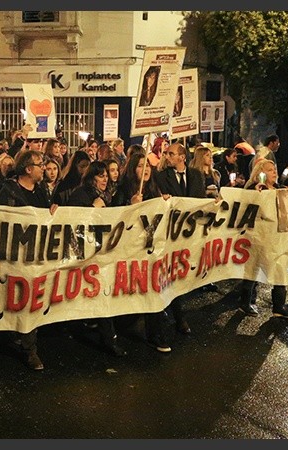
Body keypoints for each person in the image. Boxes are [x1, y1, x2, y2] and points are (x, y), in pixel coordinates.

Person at [0, 150, 59, 371]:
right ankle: (26, 346)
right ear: (28, 169)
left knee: (30, 301)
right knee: (19, 300)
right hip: (14, 258)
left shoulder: (41, 192)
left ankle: (28, 345)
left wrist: (53, 212)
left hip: (36, 257)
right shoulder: (8, 192)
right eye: (41, 164)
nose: (44, 168)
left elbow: (46, 218)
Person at [65, 161, 128, 357]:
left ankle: (108, 338)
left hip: (101, 254)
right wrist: (93, 208)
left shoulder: (108, 195)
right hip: (83, 255)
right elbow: (72, 223)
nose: (105, 179)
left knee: (103, 295)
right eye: (101, 176)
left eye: (106, 176)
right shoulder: (80, 194)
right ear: (92, 178)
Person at [113, 153, 172, 352]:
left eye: (147, 166)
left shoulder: (155, 189)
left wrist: (165, 202)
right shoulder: (122, 190)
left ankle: (156, 334)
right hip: (129, 251)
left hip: (150, 251)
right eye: (140, 166)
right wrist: (130, 205)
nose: (145, 169)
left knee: (154, 288)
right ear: (132, 169)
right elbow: (112, 218)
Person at [154, 142, 207, 344]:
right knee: (170, 273)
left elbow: (199, 200)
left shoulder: (195, 175)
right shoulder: (161, 177)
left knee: (182, 273)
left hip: (189, 234)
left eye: (171, 153)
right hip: (170, 234)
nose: (168, 156)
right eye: (166, 153)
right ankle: (178, 316)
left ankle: (174, 311)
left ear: (182, 157)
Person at [237, 159, 288, 319]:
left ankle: (279, 306)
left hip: (278, 240)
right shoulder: (253, 189)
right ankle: (245, 303)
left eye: (275, 169)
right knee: (252, 270)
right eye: (270, 170)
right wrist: (257, 194)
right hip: (258, 238)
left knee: (280, 268)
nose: (274, 172)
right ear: (260, 173)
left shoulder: (279, 189)